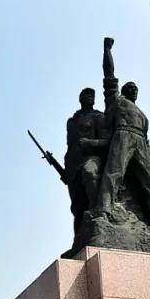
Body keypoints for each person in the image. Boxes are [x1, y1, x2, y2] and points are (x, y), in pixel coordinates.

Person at [92, 37, 150, 228]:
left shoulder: (143, 116)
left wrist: (149, 152)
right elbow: (109, 75)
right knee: (114, 173)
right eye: (131, 88)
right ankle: (103, 209)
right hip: (122, 135)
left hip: (140, 142)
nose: (134, 91)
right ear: (124, 91)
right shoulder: (117, 100)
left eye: (136, 89)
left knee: (149, 183)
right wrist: (107, 50)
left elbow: (147, 138)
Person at [64, 87, 108, 236]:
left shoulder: (99, 117)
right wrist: (66, 169)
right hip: (73, 164)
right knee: (77, 206)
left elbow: (107, 142)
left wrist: (90, 143)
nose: (90, 96)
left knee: (89, 172)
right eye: (86, 94)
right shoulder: (72, 121)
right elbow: (70, 146)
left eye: (92, 94)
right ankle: (79, 237)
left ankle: (97, 212)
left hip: (92, 157)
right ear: (80, 98)